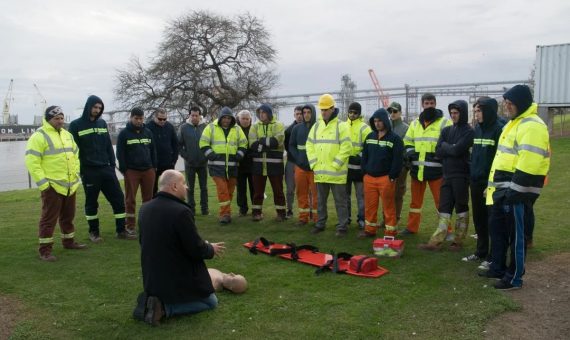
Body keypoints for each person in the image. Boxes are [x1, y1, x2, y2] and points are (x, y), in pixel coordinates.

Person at [481, 85, 550, 290]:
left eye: (510, 103)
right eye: (506, 103)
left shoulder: (532, 125)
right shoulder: (513, 124)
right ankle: (499, 268)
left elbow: (529, 162)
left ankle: (514, 277)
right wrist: (491, 187)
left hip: (517, 192)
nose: (507, 107)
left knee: (517, 237)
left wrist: (515, 193)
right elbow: (501, 159)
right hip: (503, 189)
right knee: (499, 231)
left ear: (521, 103)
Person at [137, 170, 225, 325]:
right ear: (175, 186)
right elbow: (196, 249)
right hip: (173, 277)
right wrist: (210, 248)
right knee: (211, 302)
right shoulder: (181, 212)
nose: (187, 187)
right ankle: (164, 308)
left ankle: (153, 302)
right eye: (184, 183)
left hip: (152, 279)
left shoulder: (145, 208)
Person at [69, 95, 134, 242]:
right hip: (89, 171)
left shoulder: (102, 123)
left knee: (118, 199)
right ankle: (94, 232)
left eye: (100, 108)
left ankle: (121, 230)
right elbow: (74, 150)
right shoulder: (76, 125)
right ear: (88, 107)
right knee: (92, 203)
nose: (97, 110)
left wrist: (112, 165)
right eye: (95, 107)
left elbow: (108, 146)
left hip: (107, 169)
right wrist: (81, 170)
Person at [25, 106, 86, 261]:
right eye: (56, 118)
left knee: (68, 217)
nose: (60, 121)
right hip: (52, 186)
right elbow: (32, 162)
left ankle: (69, 242)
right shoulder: (39, 136)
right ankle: (45, 250)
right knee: (48, 220)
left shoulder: (67, 135)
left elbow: (76, 156)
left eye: (61, 118)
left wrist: (76, 175)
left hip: (70, 185)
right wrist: (44, 184)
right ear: (48, 119)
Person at [418, 100, 474, 251]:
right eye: (452, 113)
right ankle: (436, 241)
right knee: (444, 207)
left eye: (456, 113)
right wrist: (451, 148)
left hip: (461, 175)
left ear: (462, 113)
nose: (453, 116)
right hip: (447, 174)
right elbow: (438, 151)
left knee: (461, 207)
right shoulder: (447, 130)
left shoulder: (469, 131)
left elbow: (456, 150)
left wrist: (447, 147)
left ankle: (458, 240)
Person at [401, 93, 451, 235]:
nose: (429, 106)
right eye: (426, 103)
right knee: (415, 204)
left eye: (431, 103)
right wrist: (410, 153)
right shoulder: (415, 123)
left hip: (437, 171)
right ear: (422, 105)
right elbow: (407, 141)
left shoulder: (444, 122)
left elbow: (448, 142)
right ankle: (411, 228)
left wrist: (439, 154)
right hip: (418, 170)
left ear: (435, 104)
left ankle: (447, 230)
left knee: (441, 203)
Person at [462, 97, 503, 268]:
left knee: (492, 220)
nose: (476, 114)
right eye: (475, 111)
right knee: (479, 218)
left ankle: (493, 256)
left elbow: (499, 159)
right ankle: (481, 251)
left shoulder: (499, 130)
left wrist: (491, 182)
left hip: (491, 183)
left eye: (479, 111)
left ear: (488, 111)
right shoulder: (477, 129)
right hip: (476, 181)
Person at [306, 94, 352, 237]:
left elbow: (346, 147)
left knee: (341, 202)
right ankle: (320, 223)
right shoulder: (316, 126)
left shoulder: (342, 126)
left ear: (333, 109)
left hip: (336, 173)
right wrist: (313, 163)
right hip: (320, 171)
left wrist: (336, 164)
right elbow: (309, 145)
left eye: (326, 109)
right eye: (322, 110)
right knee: (320, 201)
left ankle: (342, 226)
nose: (324, 112)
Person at [199, 107, 248, 224]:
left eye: (228, 118)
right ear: (220, 118)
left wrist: (239, 155)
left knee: (230, 191)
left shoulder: (237, 129)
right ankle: (225, 214)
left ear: (231, 119)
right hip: (216, 166)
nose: (226, 120)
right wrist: (212, 155)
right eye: (224, 118)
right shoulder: (210, 127)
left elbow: (244, 143)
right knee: (223, 190)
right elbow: (203, 143)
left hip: (232, 166)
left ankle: (226, 212)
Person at [360, 108, 404, 238]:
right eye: (375, 121)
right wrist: (364, 172)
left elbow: (398, 160)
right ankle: (369, 230)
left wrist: (392, 176)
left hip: (386, 178)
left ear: (385, 121)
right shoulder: (370, 137)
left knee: (388, 207)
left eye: (380, 121)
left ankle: (390, 232)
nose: (377, 123)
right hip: (369, 178)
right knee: (370, 206)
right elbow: (364, 156)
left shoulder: (395, 139)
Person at [116, 107, 157, 236]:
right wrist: (124, 170)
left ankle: (147, 223)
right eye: (136, 118)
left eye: (141, 118)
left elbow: (153, 151)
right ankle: (130, 226)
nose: (139, 121)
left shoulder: (148, 132)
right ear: (131, 117)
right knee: (130, 199)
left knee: (148, 199)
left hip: (148, 170)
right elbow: (120, 153)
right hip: (132, 171)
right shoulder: (124, 134)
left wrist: (153, 167)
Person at [249, 103, 287, 222]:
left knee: (278, 191)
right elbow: (252, 144)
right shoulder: (254, 126)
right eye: (259, 113)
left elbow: (277, 141)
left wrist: (261, 142)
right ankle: (256, 213)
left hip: (275, 165)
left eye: (263, 112)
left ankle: (281, 213)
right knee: (258, 192)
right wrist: (266, 145)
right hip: (258, 166)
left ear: (269, 113)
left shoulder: (279, 125)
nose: (261, 115)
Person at [289, 104, 319, 225]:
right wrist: (298, 159)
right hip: (300, 167)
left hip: (315, 168)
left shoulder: (319, 128)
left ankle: (318, 219)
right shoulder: (296, 129)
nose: (306, 115)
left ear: (313, 113)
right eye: (304, 112)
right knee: (301, 193)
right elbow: (291, 145)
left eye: (308, 112)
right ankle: (303, 218)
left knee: (317, 196)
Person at [345, 102, 371, 231]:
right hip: (345, 168)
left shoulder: (365, 128)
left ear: (359, 114)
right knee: (345, 196)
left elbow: (368, 147)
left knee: (361, 196)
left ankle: (362, 219)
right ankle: (346, 218)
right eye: (350, 112)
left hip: (360, 168)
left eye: (355, 112)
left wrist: (359, 157)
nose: (352, 114)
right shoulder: (342, 126)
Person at [179, 106, 209, 216]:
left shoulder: (206, 127)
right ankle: (191, 209)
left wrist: (206, 156)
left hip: (203, 163)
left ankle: (205, 209)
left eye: (197, 115)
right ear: (189, 116)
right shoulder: (183, 128)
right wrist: (186, 156)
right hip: (189, 164)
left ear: (200, 116)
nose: (194, 117)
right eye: (192, 115)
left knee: (204, 188)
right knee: (189, 188)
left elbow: (210, 143)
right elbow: (179, 145)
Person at [147, 108, 179, 195]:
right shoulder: (148, 128)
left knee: (171, 187)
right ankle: (153, 207)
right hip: (154, 165)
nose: (162, 121)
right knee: (152, 189)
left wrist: (174, 160)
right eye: (160, 119)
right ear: (155, 117)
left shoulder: (170, 127)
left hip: (168, 163)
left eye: (164, 119)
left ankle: (170, 206)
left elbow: (175, 144)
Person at [387, 102, 409, 226]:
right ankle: (386, 218)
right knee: (386, 194)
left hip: (401, 166)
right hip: (387, 166)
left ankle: (396, 218)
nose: (392, 114)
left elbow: (407, 147)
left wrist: (405, 165)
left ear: (400, 113)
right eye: (390, 111)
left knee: (398, 193)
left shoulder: (406, 128)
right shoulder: (386, 126)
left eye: (395, 111)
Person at [284, 106, 304, 219]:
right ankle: (289, 210)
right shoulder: (288, 130)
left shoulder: (309, 128)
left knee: (307, 189)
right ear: (294, 115)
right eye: (297, 114)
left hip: (305, 163)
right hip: (291, 162)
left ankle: (309, 211)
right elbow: (287, 147)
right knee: (290, 188)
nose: (300, 115)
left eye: (301, 113)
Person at [236, 110, 255, 217]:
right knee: (241, 189)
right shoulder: (235, 130)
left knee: (254, 188)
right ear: (239, 119)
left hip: (252, 164)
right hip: (240, 164)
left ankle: (255, 208)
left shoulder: (254, 129)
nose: (245, 120)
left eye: (247, 118)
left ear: (250, 119)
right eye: (243, 118)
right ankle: (243, 209)